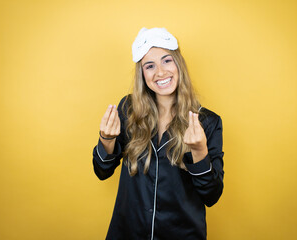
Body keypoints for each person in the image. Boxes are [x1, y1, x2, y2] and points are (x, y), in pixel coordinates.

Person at [92, 27, 224, 240]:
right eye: (150, 66)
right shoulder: (128, 109)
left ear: (178, 64)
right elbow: (102, 172)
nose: (160, 72)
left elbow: (212, 195)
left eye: (167, 60)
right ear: (142, 74)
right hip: (127, 233)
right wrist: (106, 139)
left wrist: (199, 151)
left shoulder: (208, 122)